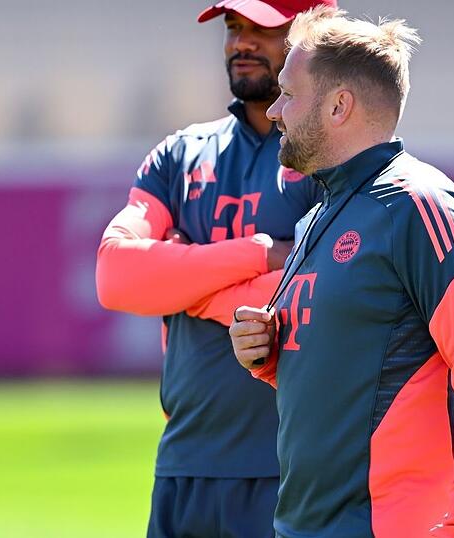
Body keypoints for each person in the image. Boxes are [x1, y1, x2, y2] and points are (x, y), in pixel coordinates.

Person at [229, 7, 454, 537]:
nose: (275, 111)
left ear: (339, 105)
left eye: (289, 93)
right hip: (300, 525)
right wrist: (264, 354)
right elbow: (351, 361)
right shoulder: (317, 216)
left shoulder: (420, 206)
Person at [96, 1, 335, 536]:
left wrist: (184, 282)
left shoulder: (334, 158)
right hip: (184, 469)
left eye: (262, 30)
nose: (240, 42)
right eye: (233, 27)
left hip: (298, 472)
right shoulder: (180, 155)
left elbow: (330, 293)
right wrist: (260, 253)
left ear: (313, 39)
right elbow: (115, 276)